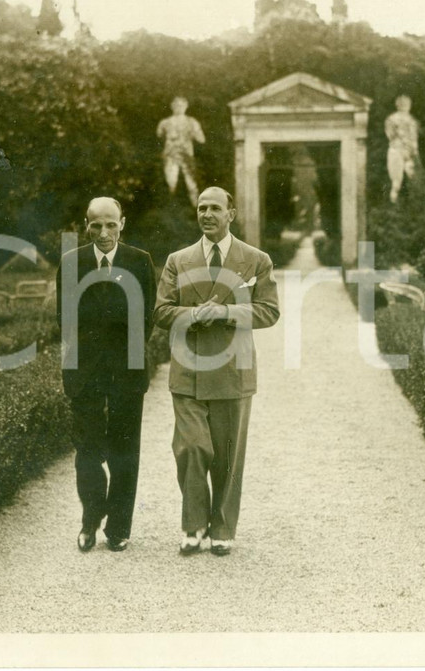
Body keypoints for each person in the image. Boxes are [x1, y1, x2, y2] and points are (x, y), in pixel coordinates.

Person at [153, 187, 280, 556]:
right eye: (201, 208)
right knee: (191, 447)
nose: (207, 214)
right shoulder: (179, 260)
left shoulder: (256, 260)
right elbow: (161, 311)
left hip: (232, 369)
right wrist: (192, 314)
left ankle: (222, 528)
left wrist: (226, 312)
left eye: (215, 208)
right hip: (189, 369)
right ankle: (193, 525)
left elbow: (269, 311)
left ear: (231, 214)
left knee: (227, 455)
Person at [55, 197, 157, 553]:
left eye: (111, 224)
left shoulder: (139, 261)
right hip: (85, 372)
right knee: (87, 451)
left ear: (122, 224)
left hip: (127, 370)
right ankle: (90, 520)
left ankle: (118, 528)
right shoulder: (72, 262)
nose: (104, 232)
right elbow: (64, 319)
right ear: (86, 225)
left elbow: (147, 319)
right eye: (96, 225)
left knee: (125, 451)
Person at [156, 96, 206, 205]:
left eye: (181, 105)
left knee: (191, 184)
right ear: (172, 107)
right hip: (171, 154)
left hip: (186, 155)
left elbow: (202, 139)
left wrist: (193, 133)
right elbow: (158, 135)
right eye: (176, 105)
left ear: (186, 106)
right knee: (170, 182)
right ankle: (169, 208)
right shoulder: (165, 122)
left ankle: (196, 208)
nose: (179, 107)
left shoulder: (191, 122)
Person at [384, 95, 420, 203]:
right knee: (398, 182)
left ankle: (404, 202)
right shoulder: (408, 120)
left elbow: (391, 135)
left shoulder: (409, 120)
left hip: (403, 150)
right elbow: (391, 135)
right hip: (400, 150)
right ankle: (395, 203)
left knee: (407, 180)